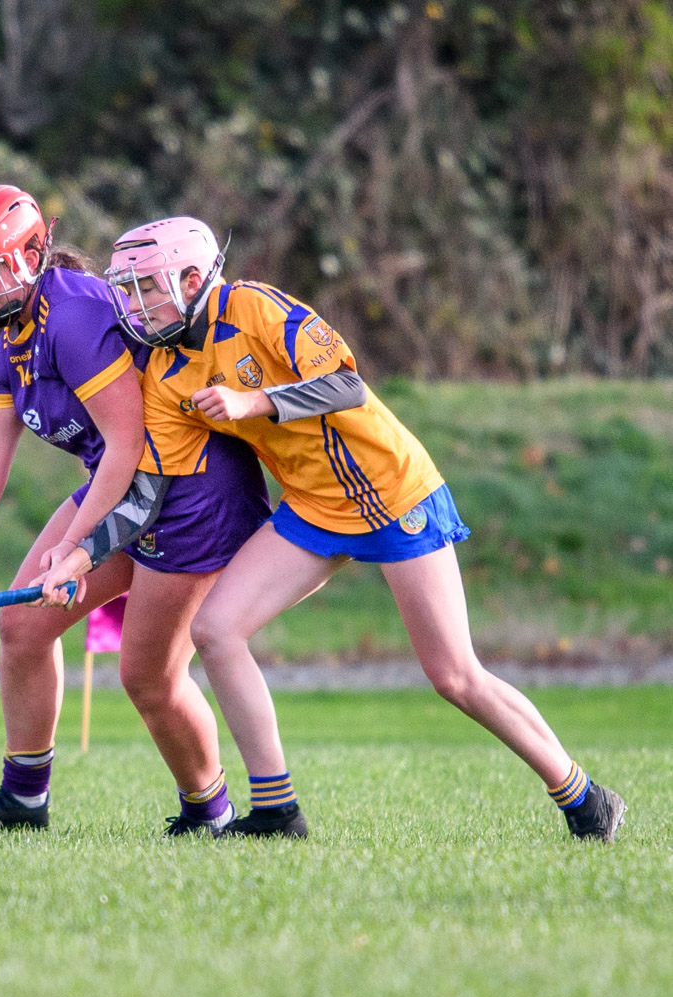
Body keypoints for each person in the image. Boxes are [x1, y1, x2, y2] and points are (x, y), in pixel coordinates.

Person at [38, 215, 626, 842]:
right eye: (125, 289)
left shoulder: (255, 306)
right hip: (313, 508)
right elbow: (147, 492)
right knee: (216, 630)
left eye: (145, 288)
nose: (132, 305)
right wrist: (81, 554)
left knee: (453, 675)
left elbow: (346, 384)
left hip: (392, 492)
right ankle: (276, 812)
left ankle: (585, 797)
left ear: (191, 277)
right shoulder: (165, 369)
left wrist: (255, 401)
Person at [0, 187, 272, 835]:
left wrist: (74, 549)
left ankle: (209, 814)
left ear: (34, 253)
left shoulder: (71, 317)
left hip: (190, 491)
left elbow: (129, 444)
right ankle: (23, 799)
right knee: (21, 625)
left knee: (147, 675)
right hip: (120, 488)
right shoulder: (6, 352)